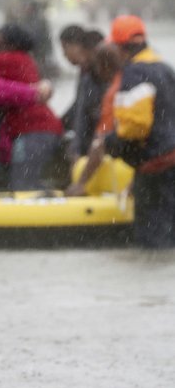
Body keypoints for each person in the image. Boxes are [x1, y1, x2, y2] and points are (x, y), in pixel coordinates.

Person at [100, 15, 175, 247]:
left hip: (155, 165)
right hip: (170, 160)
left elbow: (135, 127)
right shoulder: (164, 68)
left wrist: (110, 141)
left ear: (119, 47)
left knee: (153, 239)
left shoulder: (135, 73)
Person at [0, 23, 63, 190]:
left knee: (23, 183)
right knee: (27, 180)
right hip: (38, 129)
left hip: (33, 130)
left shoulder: (10, 59)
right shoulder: (23, 59)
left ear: (10, 44)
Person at [66, 42, 134, 196]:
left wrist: (81, 183)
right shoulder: (134, 80)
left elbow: (100, 143)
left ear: (102, 67)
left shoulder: (115, 93)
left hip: (137, 166)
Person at [58, 25, 107, 162]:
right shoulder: (86, 72)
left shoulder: (96, 73)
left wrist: (77, 148)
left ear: (78, 47)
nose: (64, 55)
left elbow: (83, 111)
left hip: (98, 141)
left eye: (65, 48)